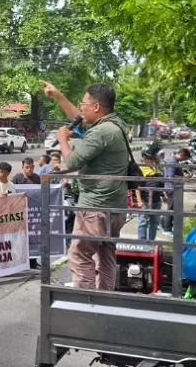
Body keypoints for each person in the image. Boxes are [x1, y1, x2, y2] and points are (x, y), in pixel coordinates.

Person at [43, 80, 130, 291]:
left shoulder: (99, 133)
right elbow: (80, 118)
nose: (81, 108)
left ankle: (86, 304)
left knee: (79, 255)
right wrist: (59, 96)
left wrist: (62, 138)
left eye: (84, 104)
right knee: (106, 254)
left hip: (94, 209)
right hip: (115, 207)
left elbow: (72, 162)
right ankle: (104, 298)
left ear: (97, 107)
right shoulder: (116, 124)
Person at [136, 147, 164, 241]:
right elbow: (137, 187)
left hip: (156, 200)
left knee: (154, 222)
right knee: (143, 222)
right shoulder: (141, 169)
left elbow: (159, 184)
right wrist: (139, 201)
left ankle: (151, 242)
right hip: (145, 200)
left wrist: (163, 195)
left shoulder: (157, 168)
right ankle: (142, 243)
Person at [162, 148, 191, 237]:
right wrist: (184, 178)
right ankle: (167, 229)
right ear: (182, 155)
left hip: (174, 187)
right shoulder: (173, 161)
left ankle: (166, 224)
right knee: (171, 209)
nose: (184, 160)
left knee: (174, 208)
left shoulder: (174, 161)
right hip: (172, 188)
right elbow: (171, 176)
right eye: (185, 158)